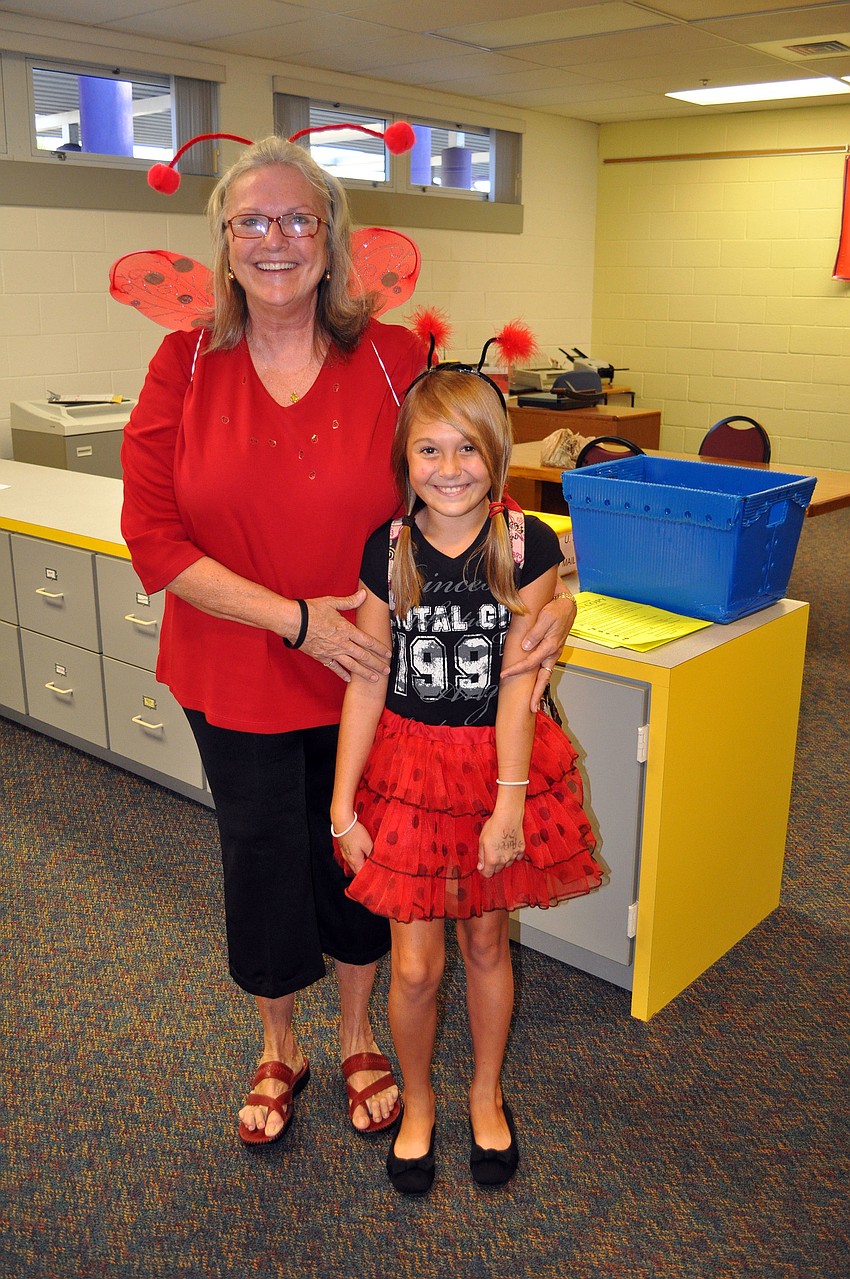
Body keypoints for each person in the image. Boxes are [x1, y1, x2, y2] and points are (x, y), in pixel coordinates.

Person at [120, 134, 575, 1146]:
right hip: (234, 665)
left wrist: (557, 595)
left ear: (331, 244)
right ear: (225, 245)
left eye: (298, 219)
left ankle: (362, 1032)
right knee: (263, 855)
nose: (276, 239)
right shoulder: (182, 362)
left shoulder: (393, 356)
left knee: (368, 864)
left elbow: (472, 488)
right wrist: (295, 621)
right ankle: (279, 1044)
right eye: (253, 222)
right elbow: (151, 536)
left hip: (382, 673)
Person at [331, 364, 602, 1192]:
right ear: (404, 459)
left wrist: (509, 804)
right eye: (429, 449)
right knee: (415, 966)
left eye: (469, 450)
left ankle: (486, 1092)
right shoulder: (390, 546)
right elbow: (369, 677)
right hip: (409, 773)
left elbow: (523, 683)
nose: (449, 468)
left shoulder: (527, 545)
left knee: (485, 940)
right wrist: (342, 806)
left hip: (496, 769)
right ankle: (418, 1101)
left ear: (497, 453)